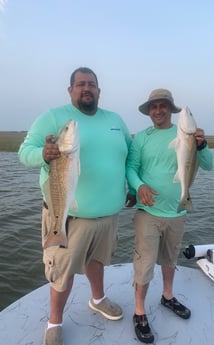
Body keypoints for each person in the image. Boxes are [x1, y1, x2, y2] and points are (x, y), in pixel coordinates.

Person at [18, 67, 135, 345]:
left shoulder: (115, 120)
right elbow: (25, 151)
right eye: (80, 84)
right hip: (67, 214)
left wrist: (132, 186)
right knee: (62, 271)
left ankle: (98, 298)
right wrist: (43, 154)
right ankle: (54, 322)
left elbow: (129, 157)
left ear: (99, 91)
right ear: (70, 90)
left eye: (92, 84)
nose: (87, 88)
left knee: (98, 260)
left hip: (107, 214)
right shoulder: (54, 117)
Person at [126, 88, 213, 343]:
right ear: (149, 111)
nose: (158, 110)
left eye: (163, 105)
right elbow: (131, 168)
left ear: (172, 110)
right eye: (154, 106)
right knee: (144, 263)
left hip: (177, 210)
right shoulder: (141, 138)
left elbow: (209, 165)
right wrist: (138, 186)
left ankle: (167, 296)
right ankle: (139, 311)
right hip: (148, 212)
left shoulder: (188, 136)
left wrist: (203, 146)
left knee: (170, 258)